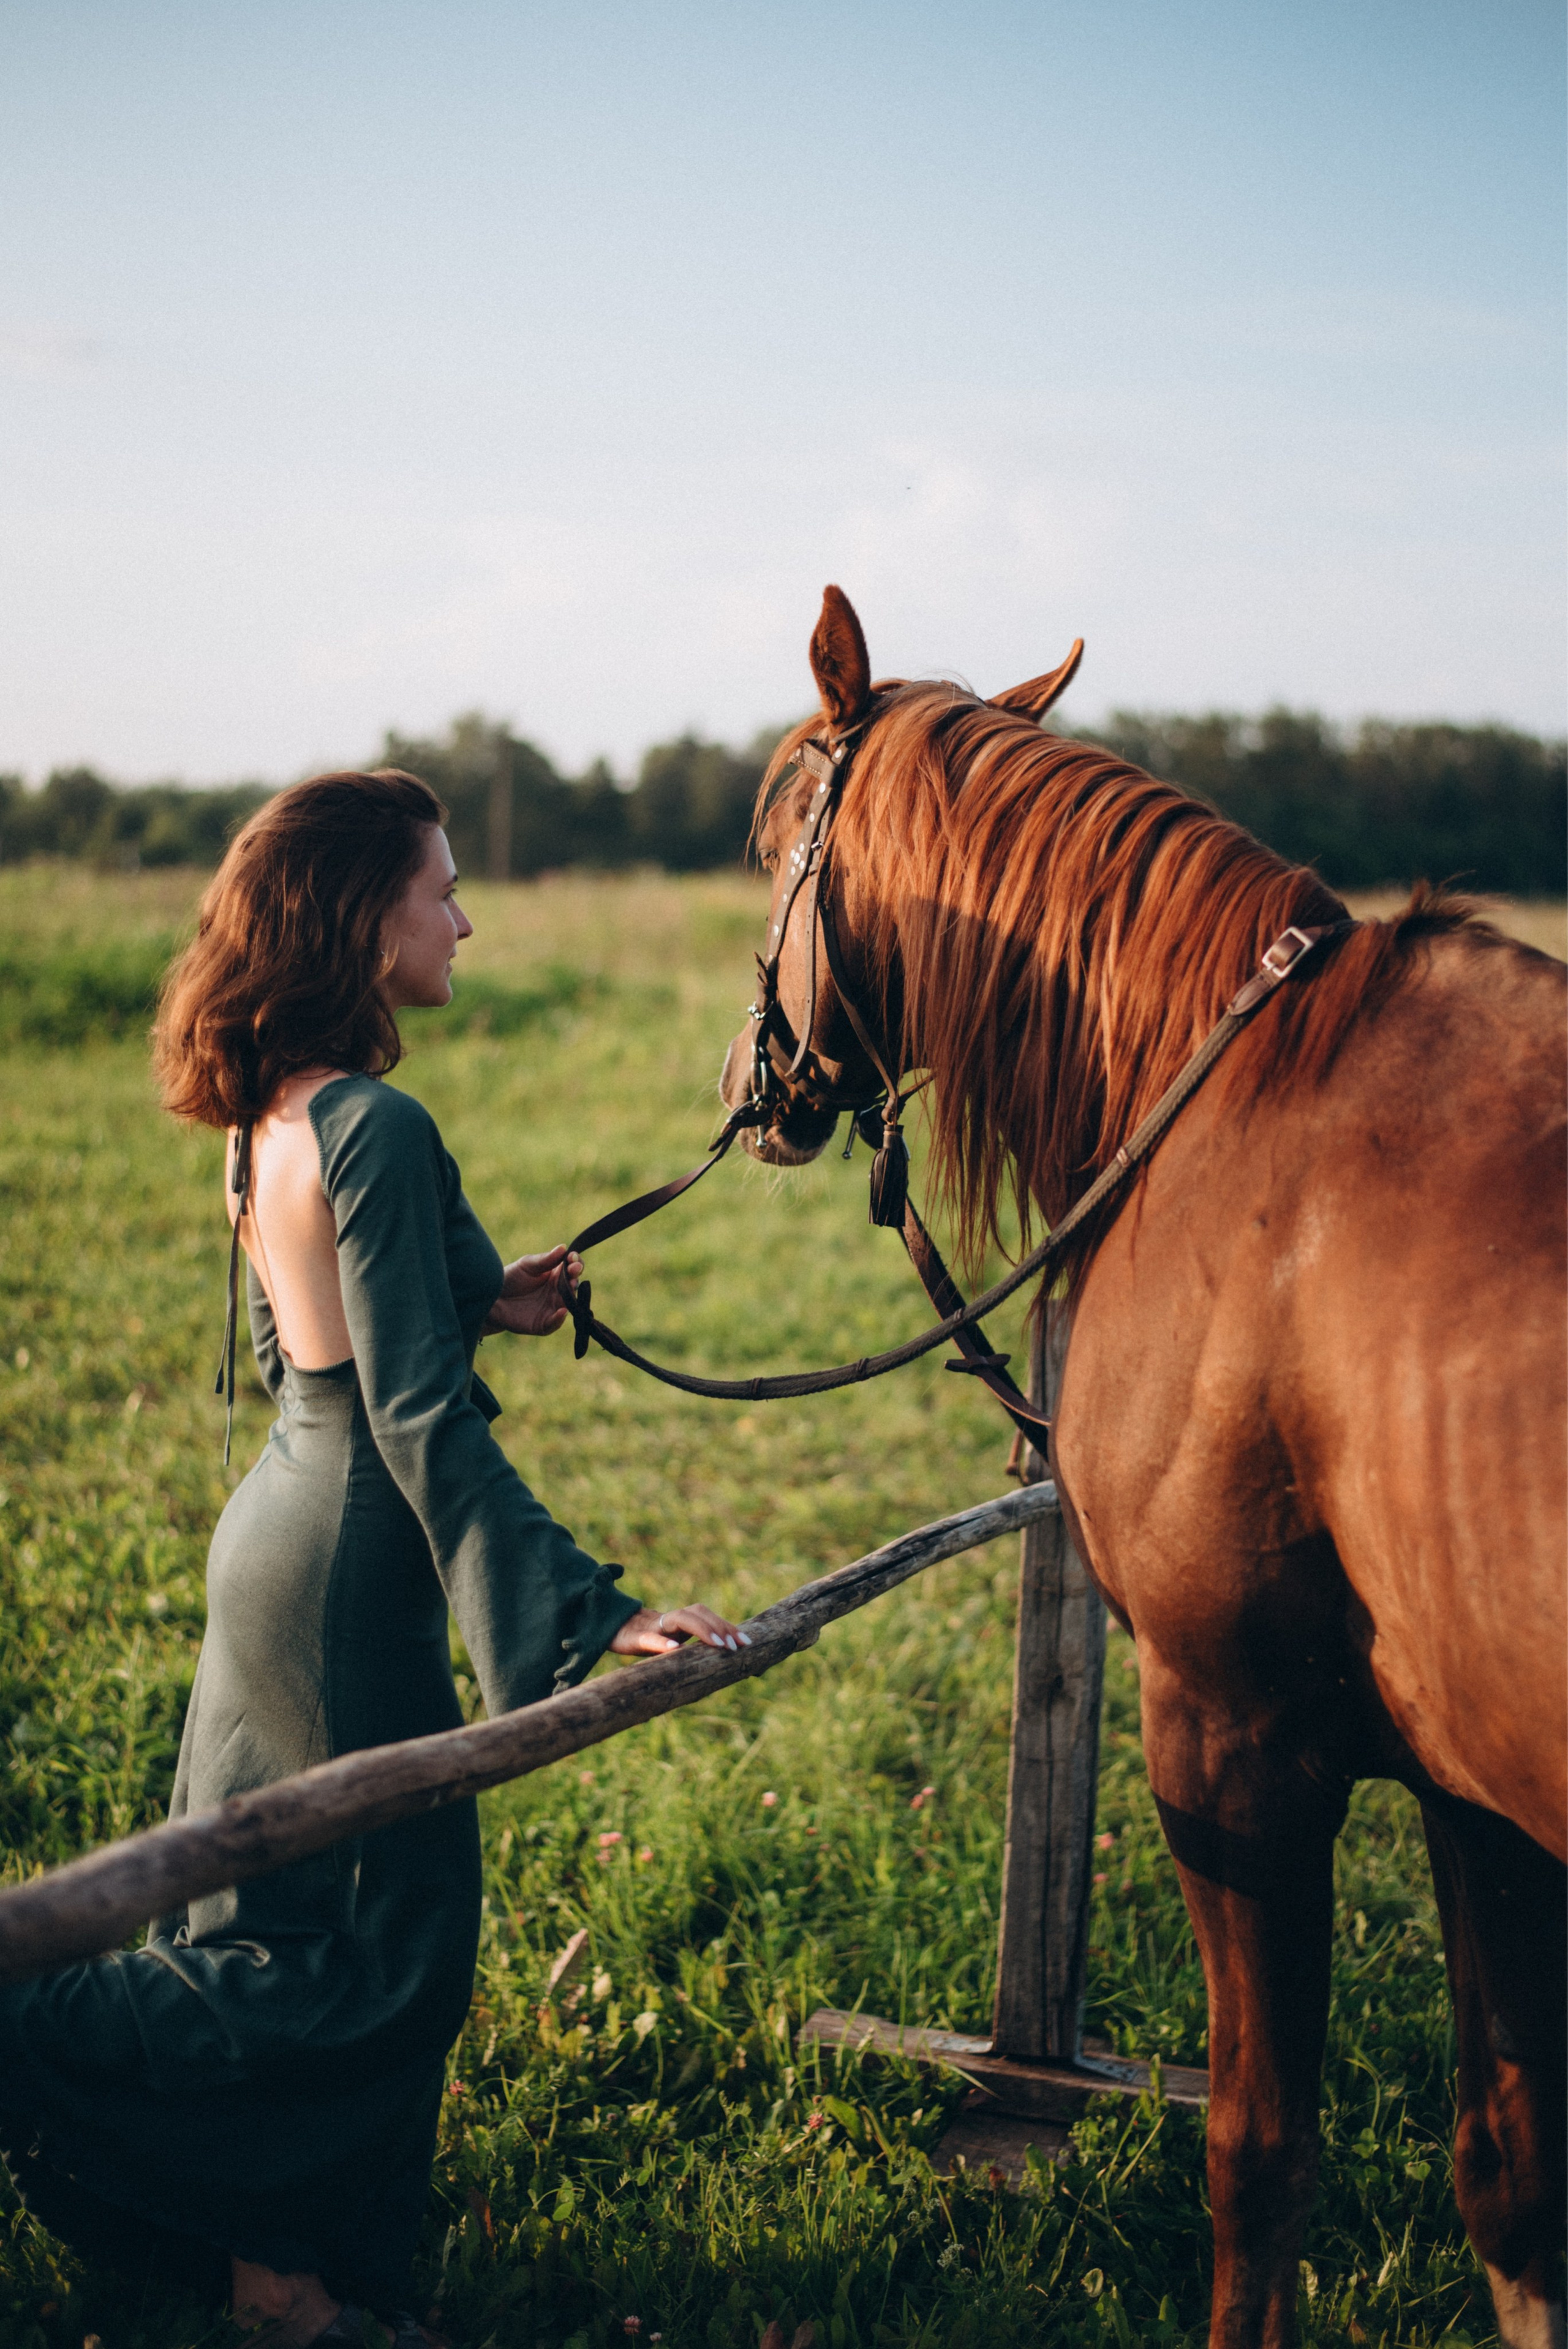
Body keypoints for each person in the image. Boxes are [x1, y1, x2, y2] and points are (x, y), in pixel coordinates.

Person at [0, 770, 744, 2348]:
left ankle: (274, 2277)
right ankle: (43, 2035)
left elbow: (319, 1345)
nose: (466, 918)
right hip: (351, 1571)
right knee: (367, 1958)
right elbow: (416, 1422)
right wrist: (588, 1615)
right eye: (443, 890)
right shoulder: (380, 1125)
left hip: (275, 1530)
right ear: (364, 915)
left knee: (268, 1917)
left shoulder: (276, 1114)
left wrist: (488, 1298)